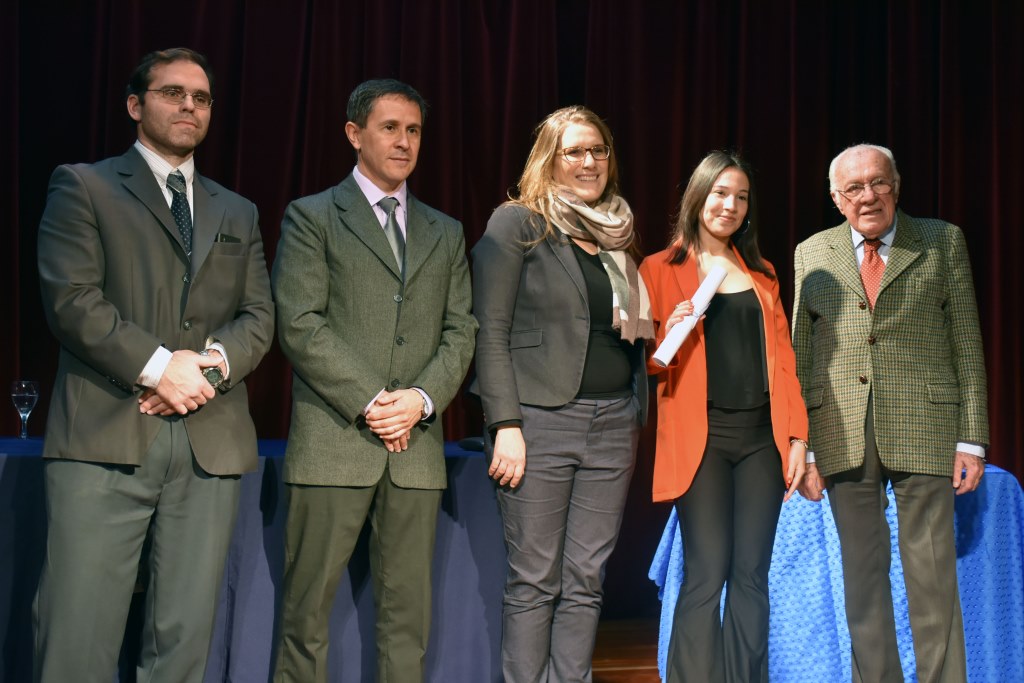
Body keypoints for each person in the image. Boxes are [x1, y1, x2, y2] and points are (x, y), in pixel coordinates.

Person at [33, 47, 274, 683]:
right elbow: (72, 300)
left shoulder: (237, 210)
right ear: (136, 106)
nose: (189, 106)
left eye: (200, 97)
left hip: (207, 444)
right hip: (106, 434)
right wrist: (161, 366)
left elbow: (258, 317)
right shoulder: (83, 185)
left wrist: (206, 372)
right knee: (77, 635)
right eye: (172, 93)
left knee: (183, 643)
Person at [270, 78, 476, 683]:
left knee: (407, 625)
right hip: (334, 442)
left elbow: (460, 331)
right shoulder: (312, 216)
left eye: (414, 130)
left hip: (415, 449)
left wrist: (417, 400)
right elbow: (301, 323)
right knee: (306, 617)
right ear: (354, 134)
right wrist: (372, 401)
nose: (404, 141)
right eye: (390, 128)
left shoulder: (446, 231)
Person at [793, 143, 988, 683]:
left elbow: (967, 344)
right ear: (836, 199)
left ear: (896, 186)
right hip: (840, 430)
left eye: (877, 182)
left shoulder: (942, 241)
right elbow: (801, 356)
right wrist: (803, 445)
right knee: (862, 579)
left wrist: (972, 439)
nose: (868, 195)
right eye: (853, 188)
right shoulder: (812, 252)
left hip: (927, 425)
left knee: (932, 579)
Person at [471, 105, 653, 682]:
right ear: (549, 159)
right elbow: (489, 330)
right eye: (574, 150)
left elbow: (627, 334)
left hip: (613, 423)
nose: (588, 161)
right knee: (535, 579)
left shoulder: (618, 232)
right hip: (539, 422)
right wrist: (505, 424)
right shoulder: (518, 224)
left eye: (597, 150)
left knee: (586, 581)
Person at [638, 151, 807, 682]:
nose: (729, 205)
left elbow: (785, 364)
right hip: (703, 442)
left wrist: (798, 436)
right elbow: (646, 363)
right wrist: (673, 329)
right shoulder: (659, 270)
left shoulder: (762, 273)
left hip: (762, 439)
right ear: (698, 196)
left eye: (740, 197)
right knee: (706, 575)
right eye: (720, 193)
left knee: (751, 576)